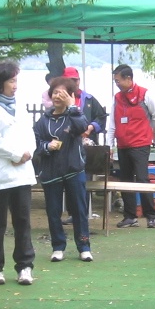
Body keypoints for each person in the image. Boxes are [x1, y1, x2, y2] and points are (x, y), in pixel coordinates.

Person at [0, 60, 36, 286]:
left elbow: (30, 134)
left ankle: (25, 266)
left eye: (16, 80)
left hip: (21, 174)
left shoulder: (19, 106)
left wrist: (28, 153)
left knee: (23, 221)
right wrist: (16, 154)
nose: (15, 85)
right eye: (11, 81)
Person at [34, 77, 92, 262]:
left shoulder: (74, 115)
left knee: (79, 210)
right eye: (55, 92)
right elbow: (36, 143)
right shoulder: (43, 120)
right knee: (53, 211)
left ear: (70, 95)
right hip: (51, 171)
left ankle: (84, 247)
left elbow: (82, 127)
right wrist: (46, 146)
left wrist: (72, 106)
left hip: (74, 169)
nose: (57, 96)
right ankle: (58, 247)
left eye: (62, 93)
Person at [107, 64, 155, 228]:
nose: (116, 84)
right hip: (123, 145)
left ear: (128, 78)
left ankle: (151, 215)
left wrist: (145, 130)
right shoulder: (117, 98)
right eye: (115, 81)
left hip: (140, 145)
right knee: (126, 179)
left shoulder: (145, 94)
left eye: (118, 80)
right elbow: (112, 123)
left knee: (142, 178)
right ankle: (130, 216)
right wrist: (110, 145)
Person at [62, 66, 106, 221]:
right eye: (70, 80)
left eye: (75, 80)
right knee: (68, 178)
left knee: (84, 180)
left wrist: (91, 127)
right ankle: (72, 213)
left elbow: (101, 117)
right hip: (67, 146)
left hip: (86, 147)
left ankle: (83, 213)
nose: (74, 83)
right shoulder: (60, 100)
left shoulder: (89, 99)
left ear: (79, 80)